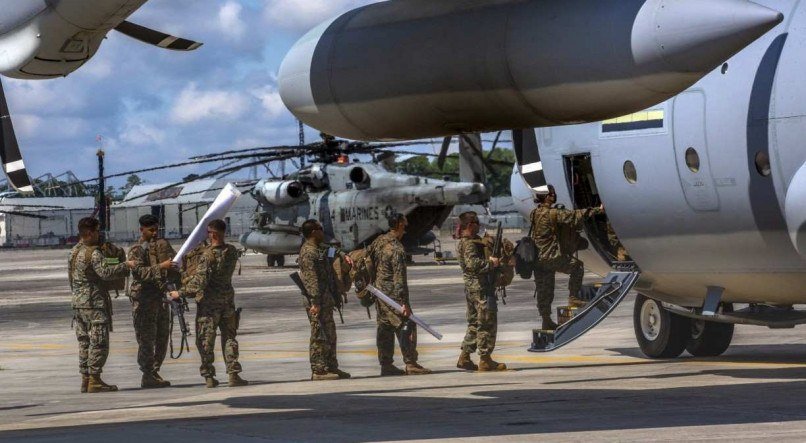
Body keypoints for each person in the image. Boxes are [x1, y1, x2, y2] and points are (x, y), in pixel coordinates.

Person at [170, 219, 248, 388]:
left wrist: (180, 292)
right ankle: (233, 374)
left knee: (206, 340)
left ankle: (209, 376)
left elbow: (200, 282)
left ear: (212, 233)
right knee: (229, 338)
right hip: (227, 301)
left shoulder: (207, 255)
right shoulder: (232, 251)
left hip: (209, 304)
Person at [68, 217, 135, 393]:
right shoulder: (93, 253)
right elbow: (105, 273)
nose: (99, 235)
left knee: (84, 342)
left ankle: (86, 378)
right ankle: (95, 379)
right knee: (99, 342)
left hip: (78, 304)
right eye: (97, 231)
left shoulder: (74, 251)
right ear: (89, 233)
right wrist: (125, 266)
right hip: (94, 304)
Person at [531, 185, 603, 330]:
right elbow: (575, 216)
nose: (554, 195)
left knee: (544, 289)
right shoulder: (553, 213)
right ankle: (573, 298)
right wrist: (597, 210)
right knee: (577, 267)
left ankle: (546, 320)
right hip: (551, 256)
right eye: (552, 194)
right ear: (547, 196)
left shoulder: (534, 213)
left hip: (538, 259)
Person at [369, 213, 431, 376]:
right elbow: (399, 278)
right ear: (398, 225)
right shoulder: (396, 248)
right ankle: (411, 363)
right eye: (404, 224)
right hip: (393, 296)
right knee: (407, 324)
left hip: (380, 293)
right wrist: (404, 303)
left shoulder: (379, 241)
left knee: (384, 328)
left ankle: (386, 364)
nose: (406, 227)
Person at [298, 219, 351, 381]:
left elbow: (331, 251)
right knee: (319, 334)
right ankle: (319, 370)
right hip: (316, 301)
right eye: (320, 229)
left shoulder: (319, 250)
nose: (323, 231)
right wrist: (315, 302)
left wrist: (343, 255)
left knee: (330, 334)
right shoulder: (308, 252)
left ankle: (331, 366)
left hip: (326, 299)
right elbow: (311, 279)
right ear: (313, 232)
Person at [127, 214, 176, 389]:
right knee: (146, 339)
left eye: (157, 229)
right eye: (151, 230)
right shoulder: (137, 250)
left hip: (160, 298)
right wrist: (161, 267)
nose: (155, 233)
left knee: (162, 337)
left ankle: (154, 372)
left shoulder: (162, 246)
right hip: (144, 300)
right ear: (142, 230)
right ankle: (147, 373)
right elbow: (139, 273)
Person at [456, 212, 507, 372]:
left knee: (474, 323)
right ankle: (485, 359)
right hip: (480, 288)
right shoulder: (470, 243)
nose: (479, 225)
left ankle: (464, 356)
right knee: (486, 323)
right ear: (470, 225)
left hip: (471, 289)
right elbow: (472, 264)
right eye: (477, 223)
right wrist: (491, 263)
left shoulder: (462, 243)